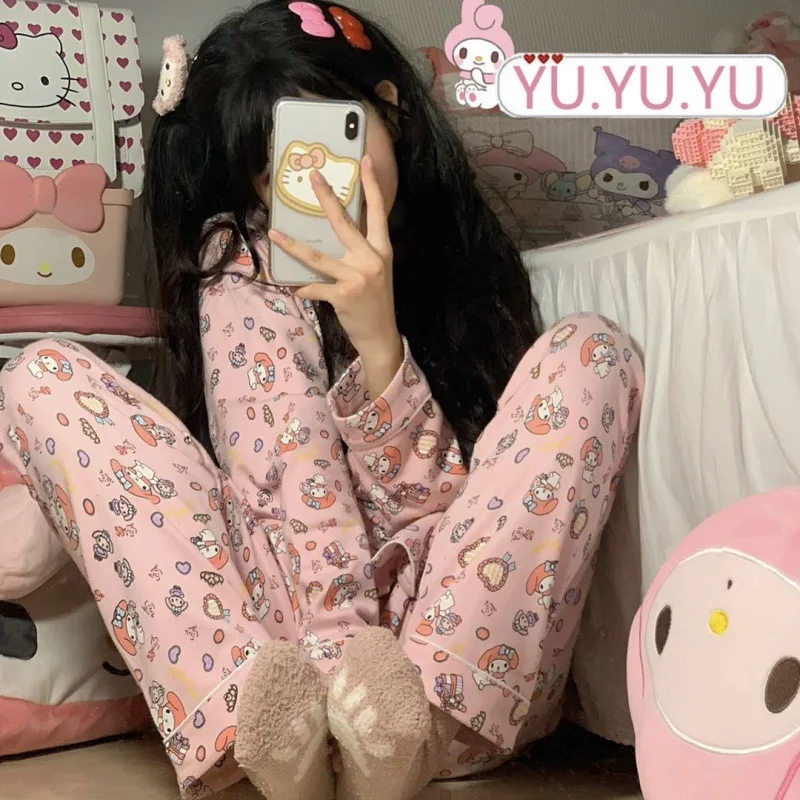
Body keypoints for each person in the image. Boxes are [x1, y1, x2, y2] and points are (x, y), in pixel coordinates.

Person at [0, 2, 644, 799]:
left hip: (451, 675)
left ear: (389, 109)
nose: (311, 185)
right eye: (273, 169)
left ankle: (403, 733)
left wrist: (379, 345)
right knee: (42, 373)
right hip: (279, 666)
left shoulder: (463, 274)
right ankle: (286, 730)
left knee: (594, 349)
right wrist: (334, 673)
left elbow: (446, 512)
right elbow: (287, 482)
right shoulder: (244, 264)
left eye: (328, 144)